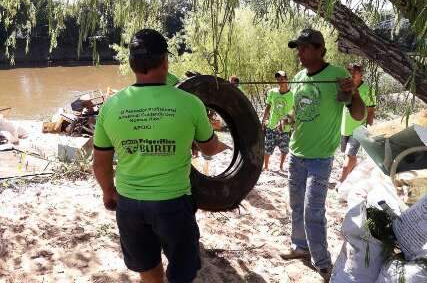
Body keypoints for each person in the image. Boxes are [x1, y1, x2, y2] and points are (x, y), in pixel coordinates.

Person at [92, 29, 231, 283]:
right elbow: (209, 149)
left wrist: (108, 192)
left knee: (148, 270)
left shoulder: (111, 106)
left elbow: (100, 163)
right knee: (181, 272)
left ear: (132, 63)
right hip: (173, 204)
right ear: (166, 61)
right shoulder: (190, 103)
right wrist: (223, 146)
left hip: (130, 204)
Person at [281, 29, 366, 281]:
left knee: (312, 211)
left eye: (305, 48)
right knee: (296, 206)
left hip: (320, 159)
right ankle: (300, 247)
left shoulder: (337, 75)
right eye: (298, 48)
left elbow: (358, 114)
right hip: (296, 154)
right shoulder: (298, 77)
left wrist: (354, 92)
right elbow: (298, 110)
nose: (300, 53)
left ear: (320, 50)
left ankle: (323, 262)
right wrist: (287, 119)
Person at [338, 63, 376, 186]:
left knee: (349, 156)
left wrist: (368, 128)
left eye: (355, 71)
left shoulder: (368, 90)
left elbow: (370, 111)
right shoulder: (344, 87)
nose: (352, 74)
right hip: (344, 128)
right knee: (349, 157)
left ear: (361, 74)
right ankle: (352, 177)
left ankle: (341, 182)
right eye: (350, 71)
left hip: (358, 129)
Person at [261, 71, 294, 171]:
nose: (280, 81)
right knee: (267, 148)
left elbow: (294, 112)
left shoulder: (292, 95)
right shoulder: (272, 92)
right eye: (278, 79)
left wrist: (288, 120)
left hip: (285, 128)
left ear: (286, 79)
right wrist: (263, 120)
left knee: (284, 150)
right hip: (272, 125)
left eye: (282, 78)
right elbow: (268, 107)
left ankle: (281, 167)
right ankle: (266, 166)